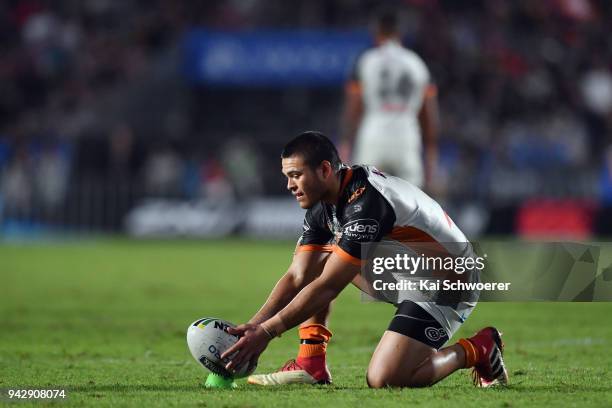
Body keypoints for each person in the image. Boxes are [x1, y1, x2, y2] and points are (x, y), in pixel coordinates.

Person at [221, 131, 507, 388]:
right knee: (321, 259)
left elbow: (329, 286)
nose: (289, 185)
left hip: (447, 282)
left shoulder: (368, 202)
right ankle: (311, 363)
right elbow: (297, 276)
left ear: (324, 170)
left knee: (385, 378)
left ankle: (478, 348)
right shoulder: (326, 206)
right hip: (405, 271)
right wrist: (253, 327)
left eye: (296, 175)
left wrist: (268, 332)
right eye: (287, 176)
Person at [339, 10, 439, 191]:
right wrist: (431, 155)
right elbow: (429, 116)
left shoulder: (366, 60)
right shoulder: (417, 64)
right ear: (400, 33)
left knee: (365, 204)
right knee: (411, 207)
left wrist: (345, 144)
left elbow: (353, 108)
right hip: (407, 135)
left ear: (376, 32)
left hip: (373, 133)